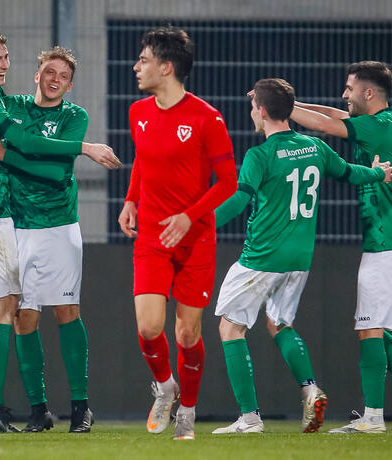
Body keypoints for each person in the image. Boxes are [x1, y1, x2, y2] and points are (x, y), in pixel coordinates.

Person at [0, 30, 120, 432]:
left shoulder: (74, 116)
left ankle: (81, 407)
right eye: (49, 70)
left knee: (67, 312)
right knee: (22, 318)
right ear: (37, 75)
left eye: (63, 75)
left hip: (60, 226)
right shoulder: (13, 106)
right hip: (17, 226)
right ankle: (38, 410)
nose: (55, 78)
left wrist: (6, 155)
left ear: (69, 84)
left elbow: (54, 171)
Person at [211, 78, 392, 435]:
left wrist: (196, 225)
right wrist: (377, 172)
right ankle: (310, 389)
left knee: (230, 327)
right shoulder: (313, 146)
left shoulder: (259, 155)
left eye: (254, 107)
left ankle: (249, 419)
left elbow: (238, 200)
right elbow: (348, 173)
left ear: (261, 111)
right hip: (300, 258)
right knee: (278, 324)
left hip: (263, 255)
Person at [289, 61, 392, 433]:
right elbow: (335, 115)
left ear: (368, 93)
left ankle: (372, 417)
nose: (345, 94)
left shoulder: (374, 127)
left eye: (350, 87)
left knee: (369, 327)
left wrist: (281, 107)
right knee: (375, 325)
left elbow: (326, 126)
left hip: (390, 242)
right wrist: (297, 104)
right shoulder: (388, 122)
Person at [117, 26, 238, 440]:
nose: (136, 66)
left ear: (166, 67)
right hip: (151, 234)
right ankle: (166, 387)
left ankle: (187, 410)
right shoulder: (138, 112)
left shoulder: (207, 117)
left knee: (187, 332)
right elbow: (141, 159)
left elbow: (228, 182)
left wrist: (189, 216)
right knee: (149, 327)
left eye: (145, 60)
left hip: (195, 237)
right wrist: (132, 199)